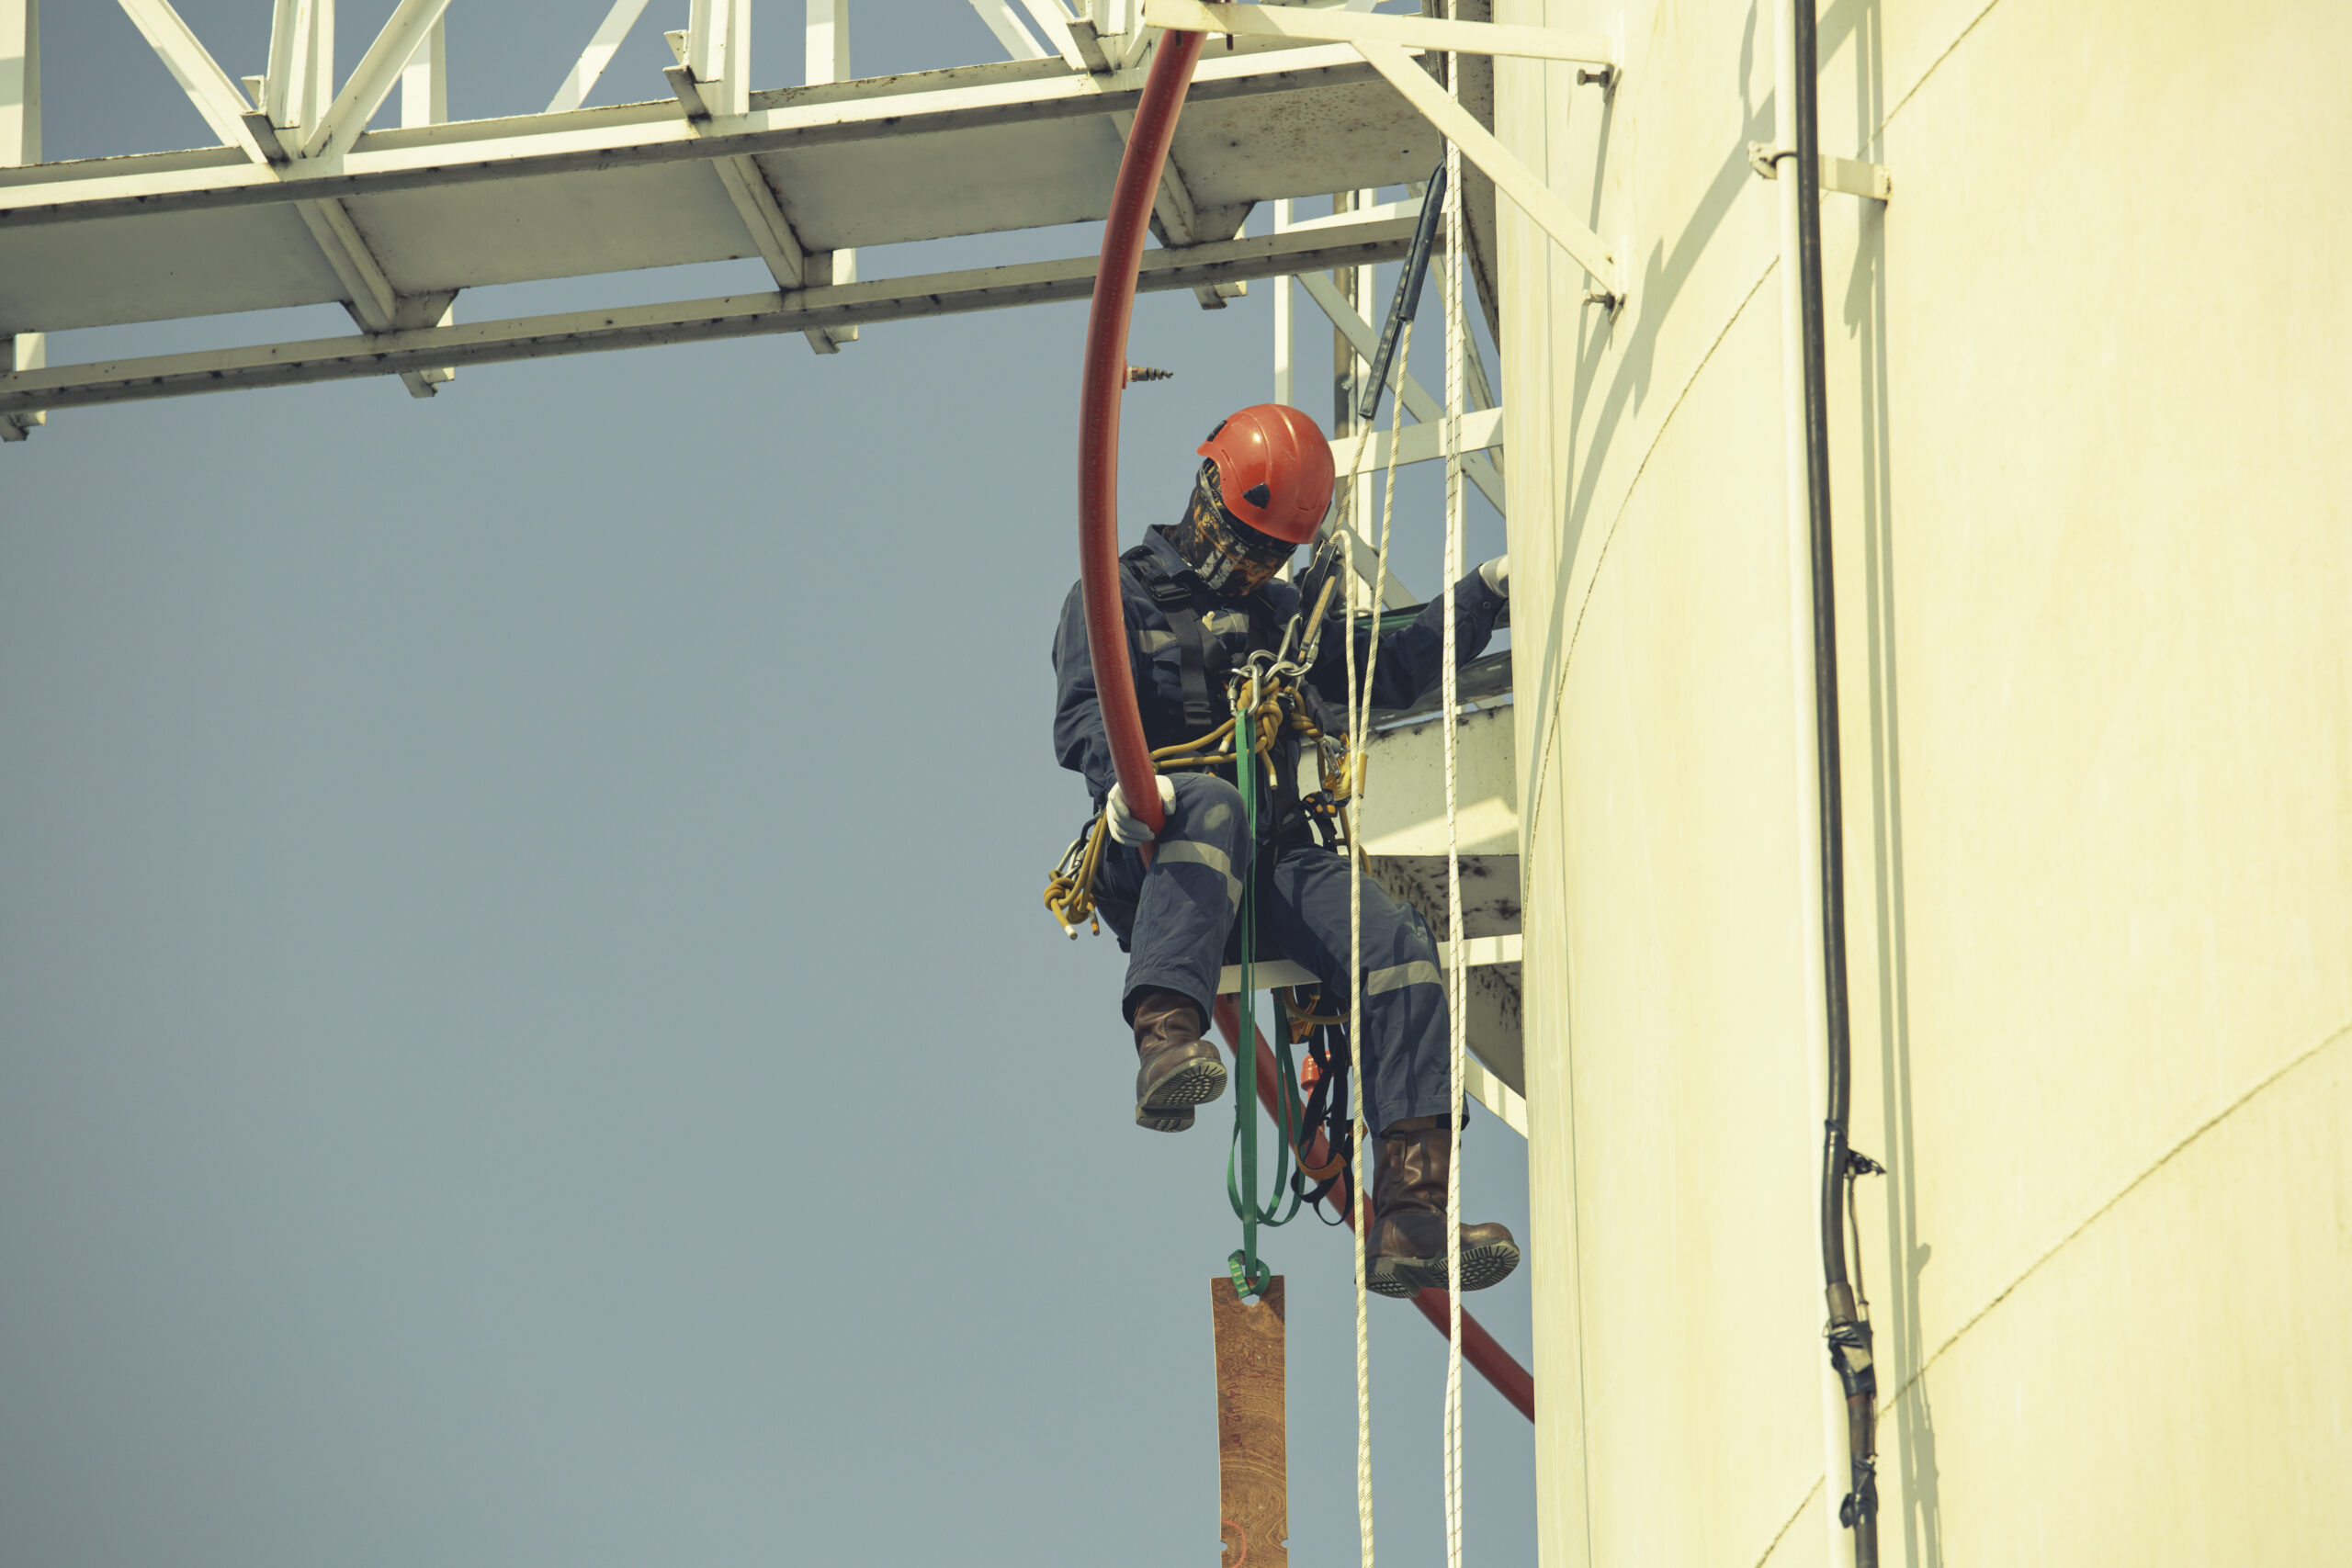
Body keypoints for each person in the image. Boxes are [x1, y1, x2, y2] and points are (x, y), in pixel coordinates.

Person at [1050, 402, 1521, 1298]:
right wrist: (1121, 790)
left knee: (1396, 945)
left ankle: (1413, 1213)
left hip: (1263, 859)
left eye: (1268, 552)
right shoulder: (1114, 595)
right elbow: (1083, 716)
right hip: (1150, 850)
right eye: (1239, 541)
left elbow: (1387, 664)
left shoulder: (1286, 619)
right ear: (1206, 499)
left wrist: (1485, 593)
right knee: (1214, 803)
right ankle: (1166, 1042)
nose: (1250, 565)